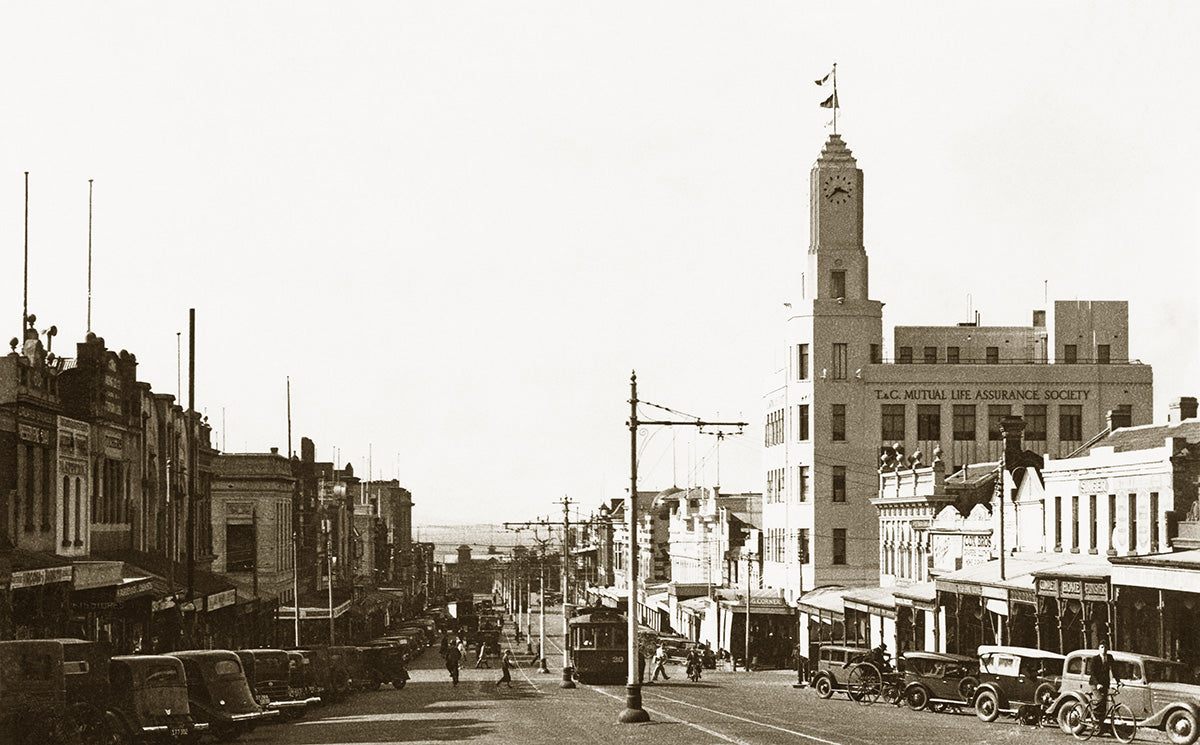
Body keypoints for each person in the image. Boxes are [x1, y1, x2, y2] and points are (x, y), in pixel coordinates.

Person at [1089, 642, 1119, 721]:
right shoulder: (1094, 659)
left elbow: (1114, 670)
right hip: (1094, 684)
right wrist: (1097, 684)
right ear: (1099, 648)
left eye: (1105, 647)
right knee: (1100, 699)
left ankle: (1100, 725)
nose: (1104, 649)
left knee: (1104, 706)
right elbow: (1092, 673)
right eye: (1102, 647)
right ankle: (1093, 715)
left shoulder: (1109, 657)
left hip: (1105, 684)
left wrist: (1118, 681)